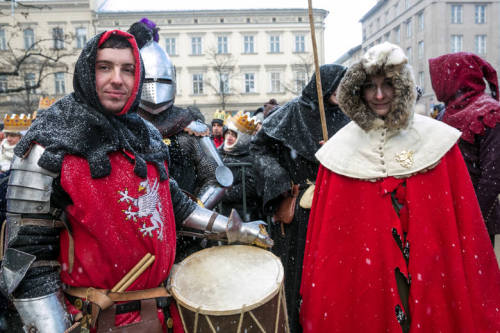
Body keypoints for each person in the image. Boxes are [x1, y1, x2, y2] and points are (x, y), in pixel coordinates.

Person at [0, 29, 271, 332]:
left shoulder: (146, 135)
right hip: (94, 320)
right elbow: (26, 256)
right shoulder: (48, 141)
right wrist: (54, 327)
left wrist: (234, 229)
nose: (117, 79)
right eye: (105, 67)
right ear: (88, 71)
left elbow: (173, 205)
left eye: (128, 69)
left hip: (161, 315)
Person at [300, 42, 500, 333]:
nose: (379, 95)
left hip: (431, 274)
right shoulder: (339, 150)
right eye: (370, 86)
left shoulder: (437, 141)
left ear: (403, 87)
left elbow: (460, 223)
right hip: (368, 281)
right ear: (358, 91)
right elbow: (333, 244)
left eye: (388, 85)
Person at [251, 64, 350, 333]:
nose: (342, 91)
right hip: (300, 214)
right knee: (295, 279)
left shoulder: (349, 115)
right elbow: (260, 148)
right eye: (339, 84)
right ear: (324, 84)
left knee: (336, 279)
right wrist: (279, 178)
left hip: (340, 209)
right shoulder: (293, 111)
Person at [429, 52, 500, 247]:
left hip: (475, 216)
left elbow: (492, 177)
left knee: (477, 275)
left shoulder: (489, 112)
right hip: (445, 213)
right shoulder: (446, 111)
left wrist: (471, 219)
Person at [218, 111, 261, 221]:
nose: (229, 137)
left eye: (234, 134)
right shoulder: (217, 153)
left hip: (242, 213)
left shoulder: (249, 157)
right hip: (220, 211)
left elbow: (249, 187)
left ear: (242, 137)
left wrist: (223, 195)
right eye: (228, 133)